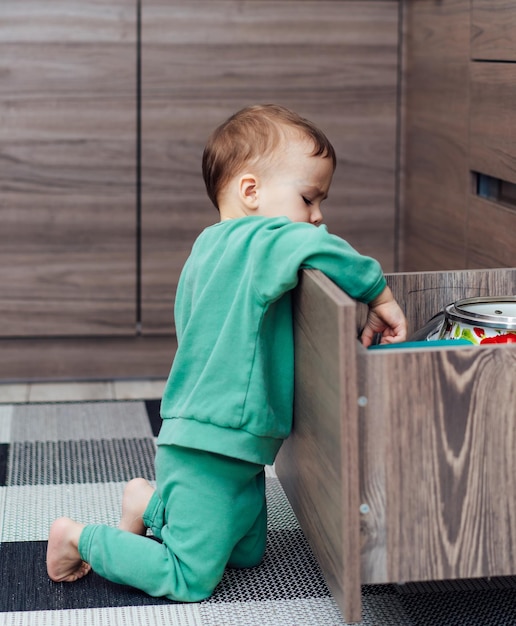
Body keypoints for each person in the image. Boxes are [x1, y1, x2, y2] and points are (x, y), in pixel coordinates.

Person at [46, 104, 407, 600]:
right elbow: (319, 246)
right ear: (251, 192)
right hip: (210, 445)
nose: (317, 216)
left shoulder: (209, 248)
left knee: (247, 550)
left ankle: (149, 504)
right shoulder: (259, 242)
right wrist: (379, 295)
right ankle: (78, 537)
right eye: (308, 198)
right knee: (189, 577)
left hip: (224, 438)